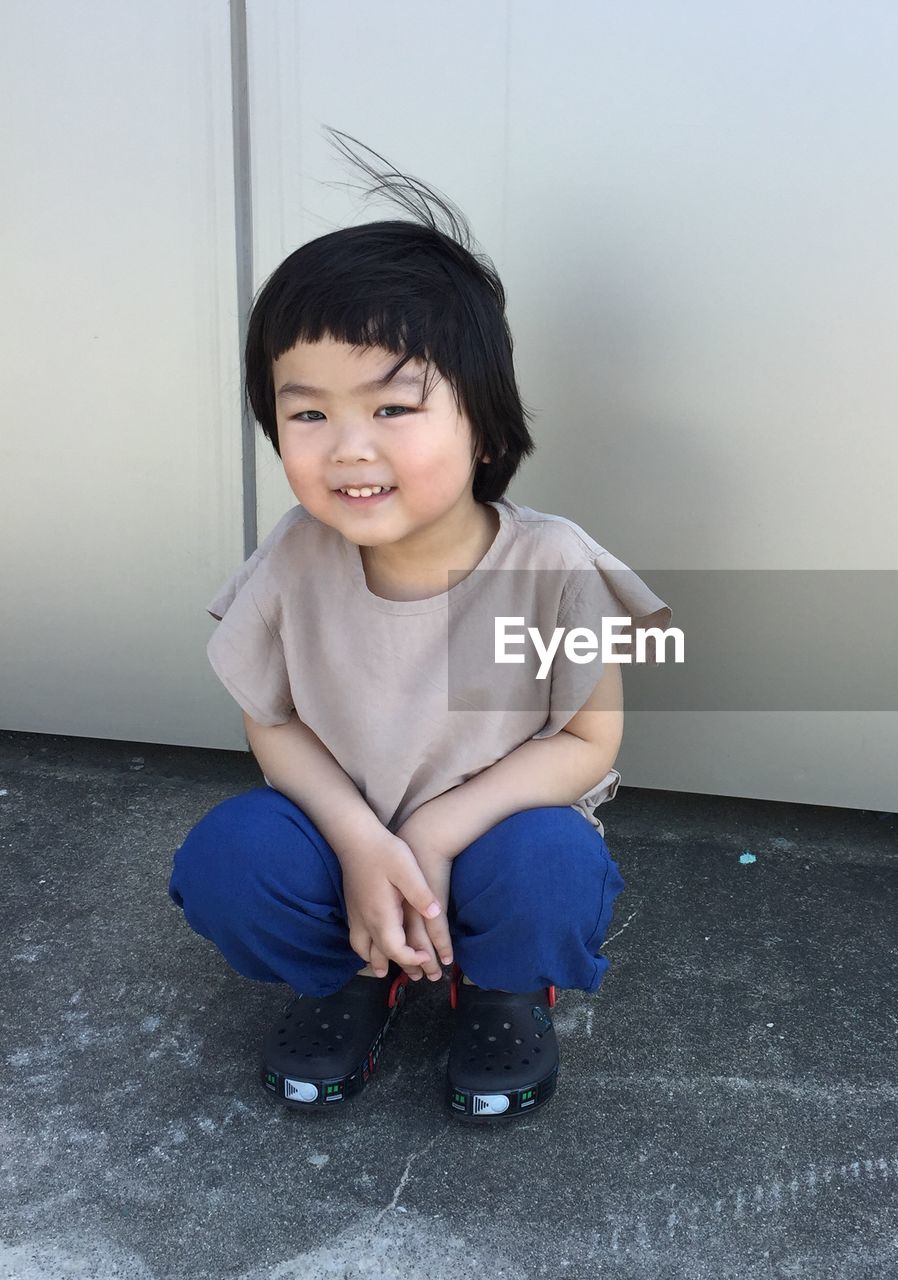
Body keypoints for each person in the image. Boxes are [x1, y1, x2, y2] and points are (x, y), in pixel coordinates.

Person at [168, 131, 671, 1124]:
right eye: (305, 414)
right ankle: (355, 972)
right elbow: (271, 722)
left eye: (393, 406)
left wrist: (438, 826)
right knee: (231, 856)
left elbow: (588, 740)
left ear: (481, 423)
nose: (348, 448)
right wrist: (360, 837)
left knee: (549, 868)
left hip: (491, 837)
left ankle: (502, 988)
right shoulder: (295, 557)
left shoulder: (548, 565)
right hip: (335, 832)